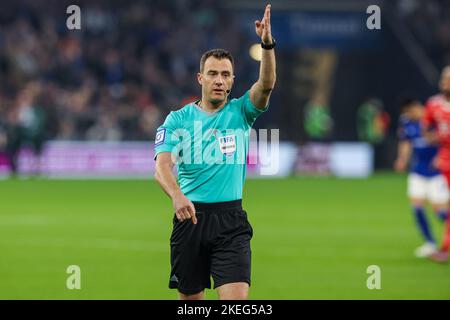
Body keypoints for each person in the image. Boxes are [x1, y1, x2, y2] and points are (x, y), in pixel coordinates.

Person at [153, 5, 276, 300]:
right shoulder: (177, 120)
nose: (219, 80)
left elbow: (267, 84)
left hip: (231, 221)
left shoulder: (242, 112)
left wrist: (267, 44)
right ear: (200, 79)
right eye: (213, 74)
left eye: (225, 75)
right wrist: (177, 196)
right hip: (190, 221)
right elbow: (162, 167)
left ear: (233, 80)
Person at [394, 98, 449, 257]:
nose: (409, 115)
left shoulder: (435, 117)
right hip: (418, 171)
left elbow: (445, 139)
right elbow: (405, 142)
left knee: (440, 211)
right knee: (416, 206)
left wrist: (441, 157)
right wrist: (402, 159)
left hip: (437, 172)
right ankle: (430, 243)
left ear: (417, 107)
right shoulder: (406, 122)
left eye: (410, 111)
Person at [423, 66, 450, 262]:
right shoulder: (434, 104)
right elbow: (426, 129)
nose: (443, 82)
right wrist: (439, 138)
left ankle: (444, 249)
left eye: (447, 78)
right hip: (445, 161)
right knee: (441, 206)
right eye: (443, 77)